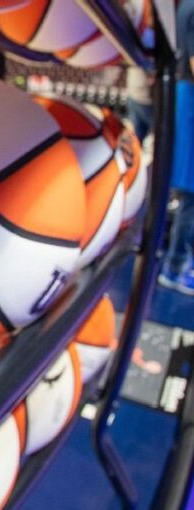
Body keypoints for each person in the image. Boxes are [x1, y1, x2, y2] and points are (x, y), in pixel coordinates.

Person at [160, 0, 194, 294]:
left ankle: (176, 261)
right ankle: (175, 267)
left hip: (185, 94)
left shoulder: (184, 7)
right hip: (190, 96)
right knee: (191, 196)